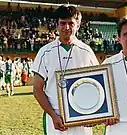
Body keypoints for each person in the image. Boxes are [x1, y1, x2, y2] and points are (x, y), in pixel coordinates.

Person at [32, 5, 99, 135]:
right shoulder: (45, 52)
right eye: (63, 23)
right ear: (57, 25)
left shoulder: (87, 52)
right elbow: (37, 89)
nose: (66, 27)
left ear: (78, 26)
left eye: (71, 24)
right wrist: (53, 114)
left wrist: (94, 114)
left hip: (82, 119)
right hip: (56, 120)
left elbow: (97, 85)